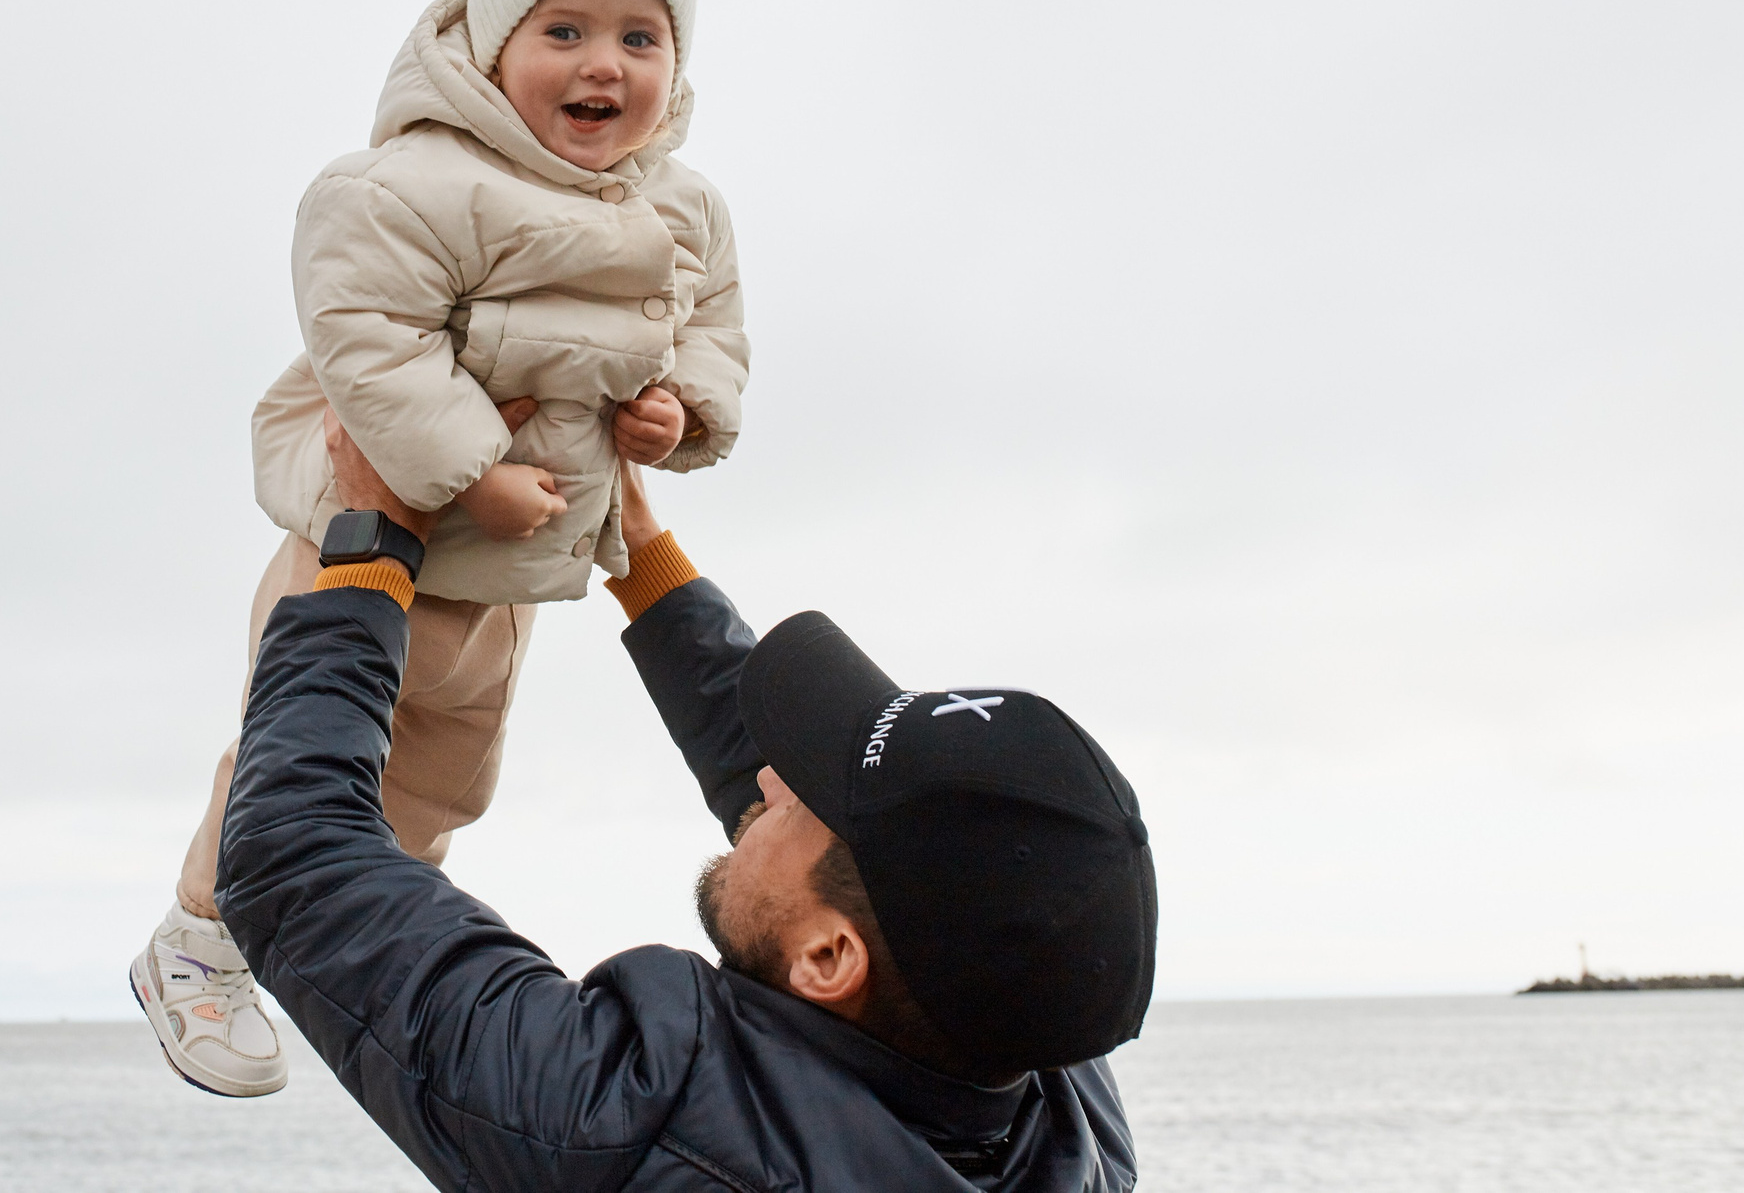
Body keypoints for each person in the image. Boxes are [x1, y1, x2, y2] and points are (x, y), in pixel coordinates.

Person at [136, 0, 752, 1098]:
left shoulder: (682, 210)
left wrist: (679, 411)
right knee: (300, 754)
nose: (603, 65)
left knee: (447, 781)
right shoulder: (412, 183)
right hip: (367, 544)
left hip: (515, 574)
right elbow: (366, 335)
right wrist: (469, 470)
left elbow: (715, 329)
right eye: (564, 31)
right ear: (488, 44)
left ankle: (360, 927)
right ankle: (198, 937)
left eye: (639, 38)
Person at [212, 419, 1155, 1189]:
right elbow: (873, 865)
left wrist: (372, 544)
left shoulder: (636, 1127)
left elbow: (293, 858)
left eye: (804, 797)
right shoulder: (1043, 1063)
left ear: (829, 958)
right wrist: (638, 552)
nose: (770, 780)